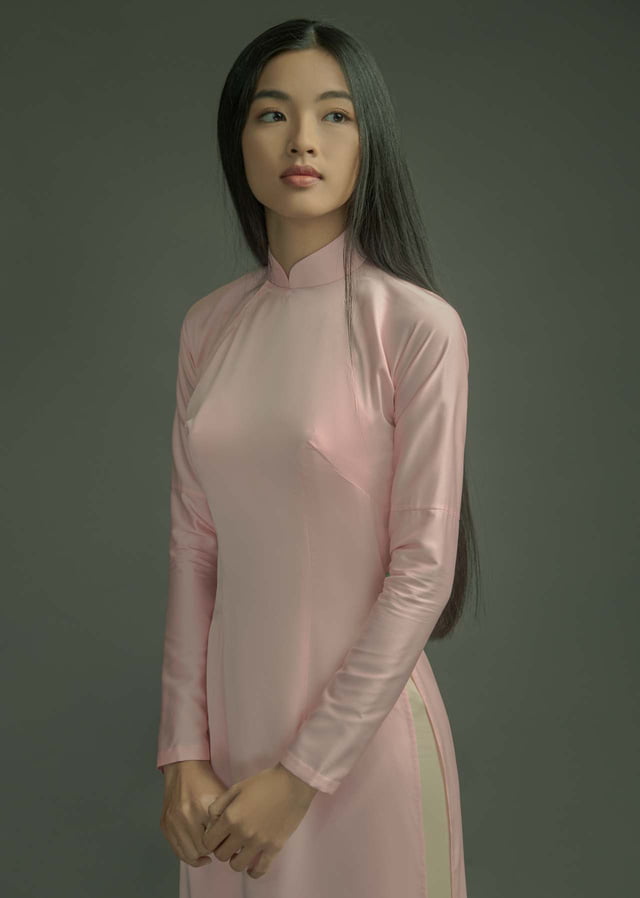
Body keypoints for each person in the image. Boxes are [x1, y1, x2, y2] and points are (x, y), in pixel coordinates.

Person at [157, 17, 480, 898]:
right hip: (225, 769)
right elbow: (193, 549)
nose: (303, 139)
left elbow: (422, 573)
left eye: (336, 115)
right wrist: (182, 752)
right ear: (239, 139)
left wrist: (301, 776)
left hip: (359, 756)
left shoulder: (416, 328)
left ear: (370, 142)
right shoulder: (208, 327)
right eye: (273, 113)